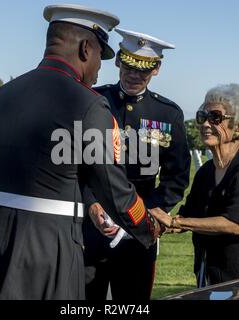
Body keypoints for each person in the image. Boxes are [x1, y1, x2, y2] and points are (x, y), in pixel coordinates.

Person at [0, 4, 162, 300]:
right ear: (86, 49)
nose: (98, 70)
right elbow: (111, 186)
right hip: (52, 254)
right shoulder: (89, 105)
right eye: (100, 56)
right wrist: (146, 226)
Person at [82, 28, 191, 300]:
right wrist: (91, 203)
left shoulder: (167, 113)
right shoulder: (93, 100)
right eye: (129, 66)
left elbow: (176, 176)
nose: (134, 75)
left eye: (143, 70)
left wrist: (148, 214)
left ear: (156, 70)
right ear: (118, 61)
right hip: (90, 229)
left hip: (139, 231)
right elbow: (75, 166)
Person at [151, 83, 239, 287]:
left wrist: (175, 223)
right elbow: (190, 215)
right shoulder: (206, 172)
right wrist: (152, 221)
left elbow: (235, 224)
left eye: (215, 117)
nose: (206, 124)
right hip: (213, 273)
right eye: (202, 117)